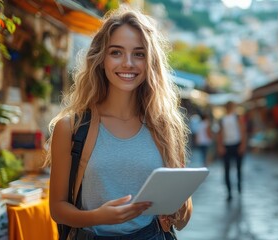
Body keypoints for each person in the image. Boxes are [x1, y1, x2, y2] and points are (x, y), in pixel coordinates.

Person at [45, 6, 191, 239]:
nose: (128, 63)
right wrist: (98, 217)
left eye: (139, 54)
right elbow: (58, 210)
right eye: (116, 52)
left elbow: (183, 219)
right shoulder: (71, 128)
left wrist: (177, 208)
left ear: (150, 62)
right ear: (101, 59)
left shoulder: (165, 127)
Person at [217, 101, 247, 201]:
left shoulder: (237, 117)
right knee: (227, 170)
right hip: (227, 145)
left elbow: (242, 130)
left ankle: (238, 186)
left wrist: (242, 145)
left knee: (238, 168)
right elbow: (220, 134)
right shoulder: (223, 120)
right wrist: (220, 146)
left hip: (236, 144)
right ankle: (229, 191)